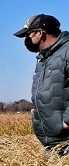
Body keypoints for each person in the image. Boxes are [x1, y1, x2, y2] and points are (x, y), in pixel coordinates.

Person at [12, 14, 69, 154]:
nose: (27, 39)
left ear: (40, 32)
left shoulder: (66, 51)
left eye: (29, 34)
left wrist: (66, 122)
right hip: (52, 142)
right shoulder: (43, 59)